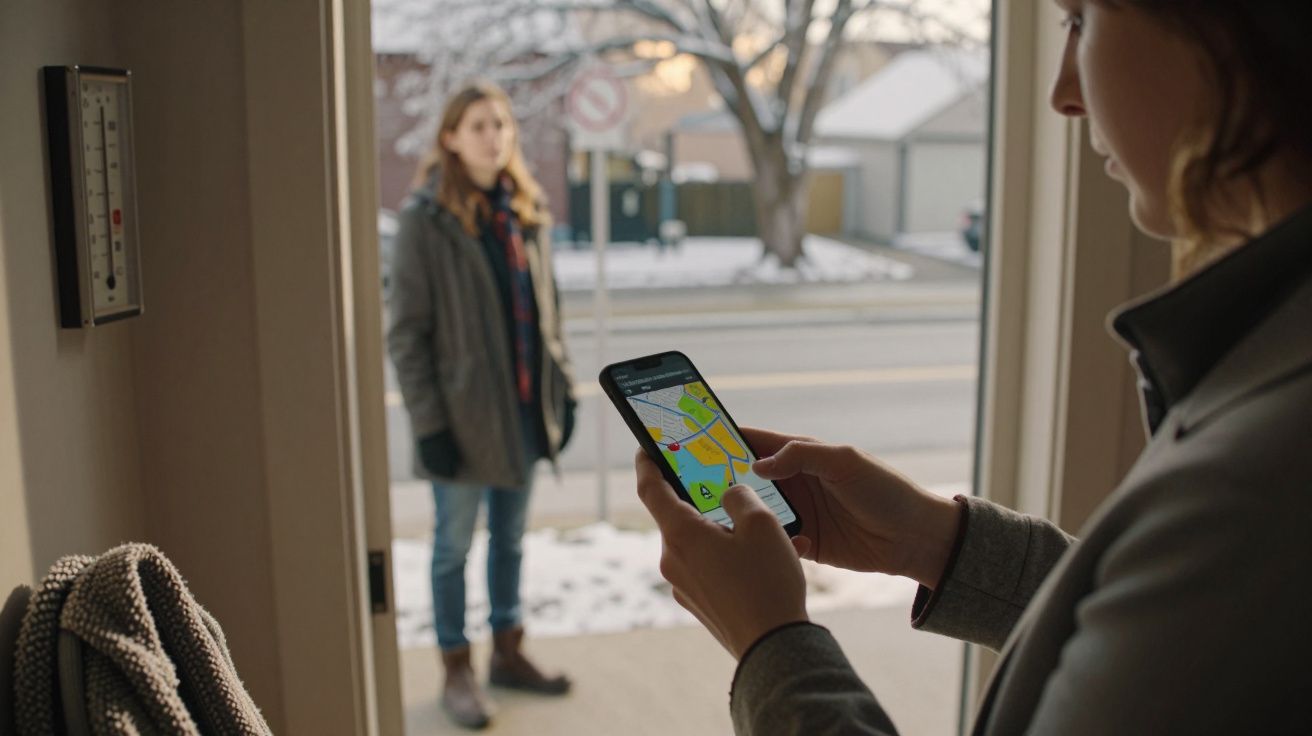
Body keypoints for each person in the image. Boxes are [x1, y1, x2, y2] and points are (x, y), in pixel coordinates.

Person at [634, 1, 1312, 733]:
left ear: (1239, 27)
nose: (1063, 92)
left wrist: (771, 643)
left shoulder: (1262, 476)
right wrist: (937, 542)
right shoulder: (1267, 375)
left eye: (1081, 20)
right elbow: (1186, 641)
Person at [387, 81, 577, 730]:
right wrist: (430, 426)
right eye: (476, 125)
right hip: (461, 425)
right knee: (451, 551)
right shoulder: (425, 221)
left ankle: (508, 653)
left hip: (524, 416)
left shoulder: (526, 212)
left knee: (511, 544)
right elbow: (407, 336)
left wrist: (565, 392)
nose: (493, 136)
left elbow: (550, 318)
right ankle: (457, 669)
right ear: (449, 138)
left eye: (500, 123)